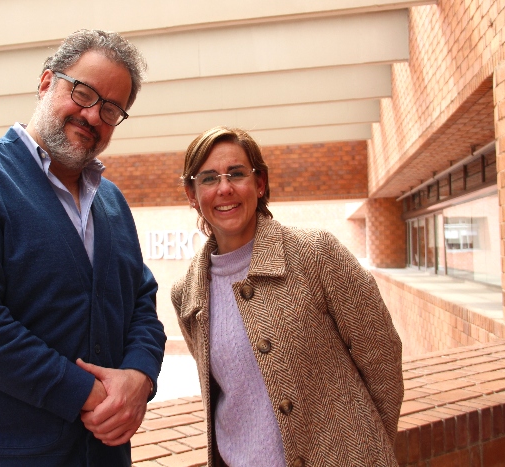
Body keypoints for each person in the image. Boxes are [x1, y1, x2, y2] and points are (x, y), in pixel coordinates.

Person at [0, 29, 166, 466]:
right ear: (47, 82)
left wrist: (139, 376)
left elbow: (141, 301)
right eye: (84, 93)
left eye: (111, 109)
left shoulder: (112, 202)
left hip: (105, 455)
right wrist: (89, 394)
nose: (93, 115)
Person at [171, 127, 404, 467]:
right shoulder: (188, 293)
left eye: (237, 174)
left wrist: (367, 452)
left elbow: (382, 361)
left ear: (259, 183)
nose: (224, 188)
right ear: (192, 195)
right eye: (208, 178)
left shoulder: (316, 253)